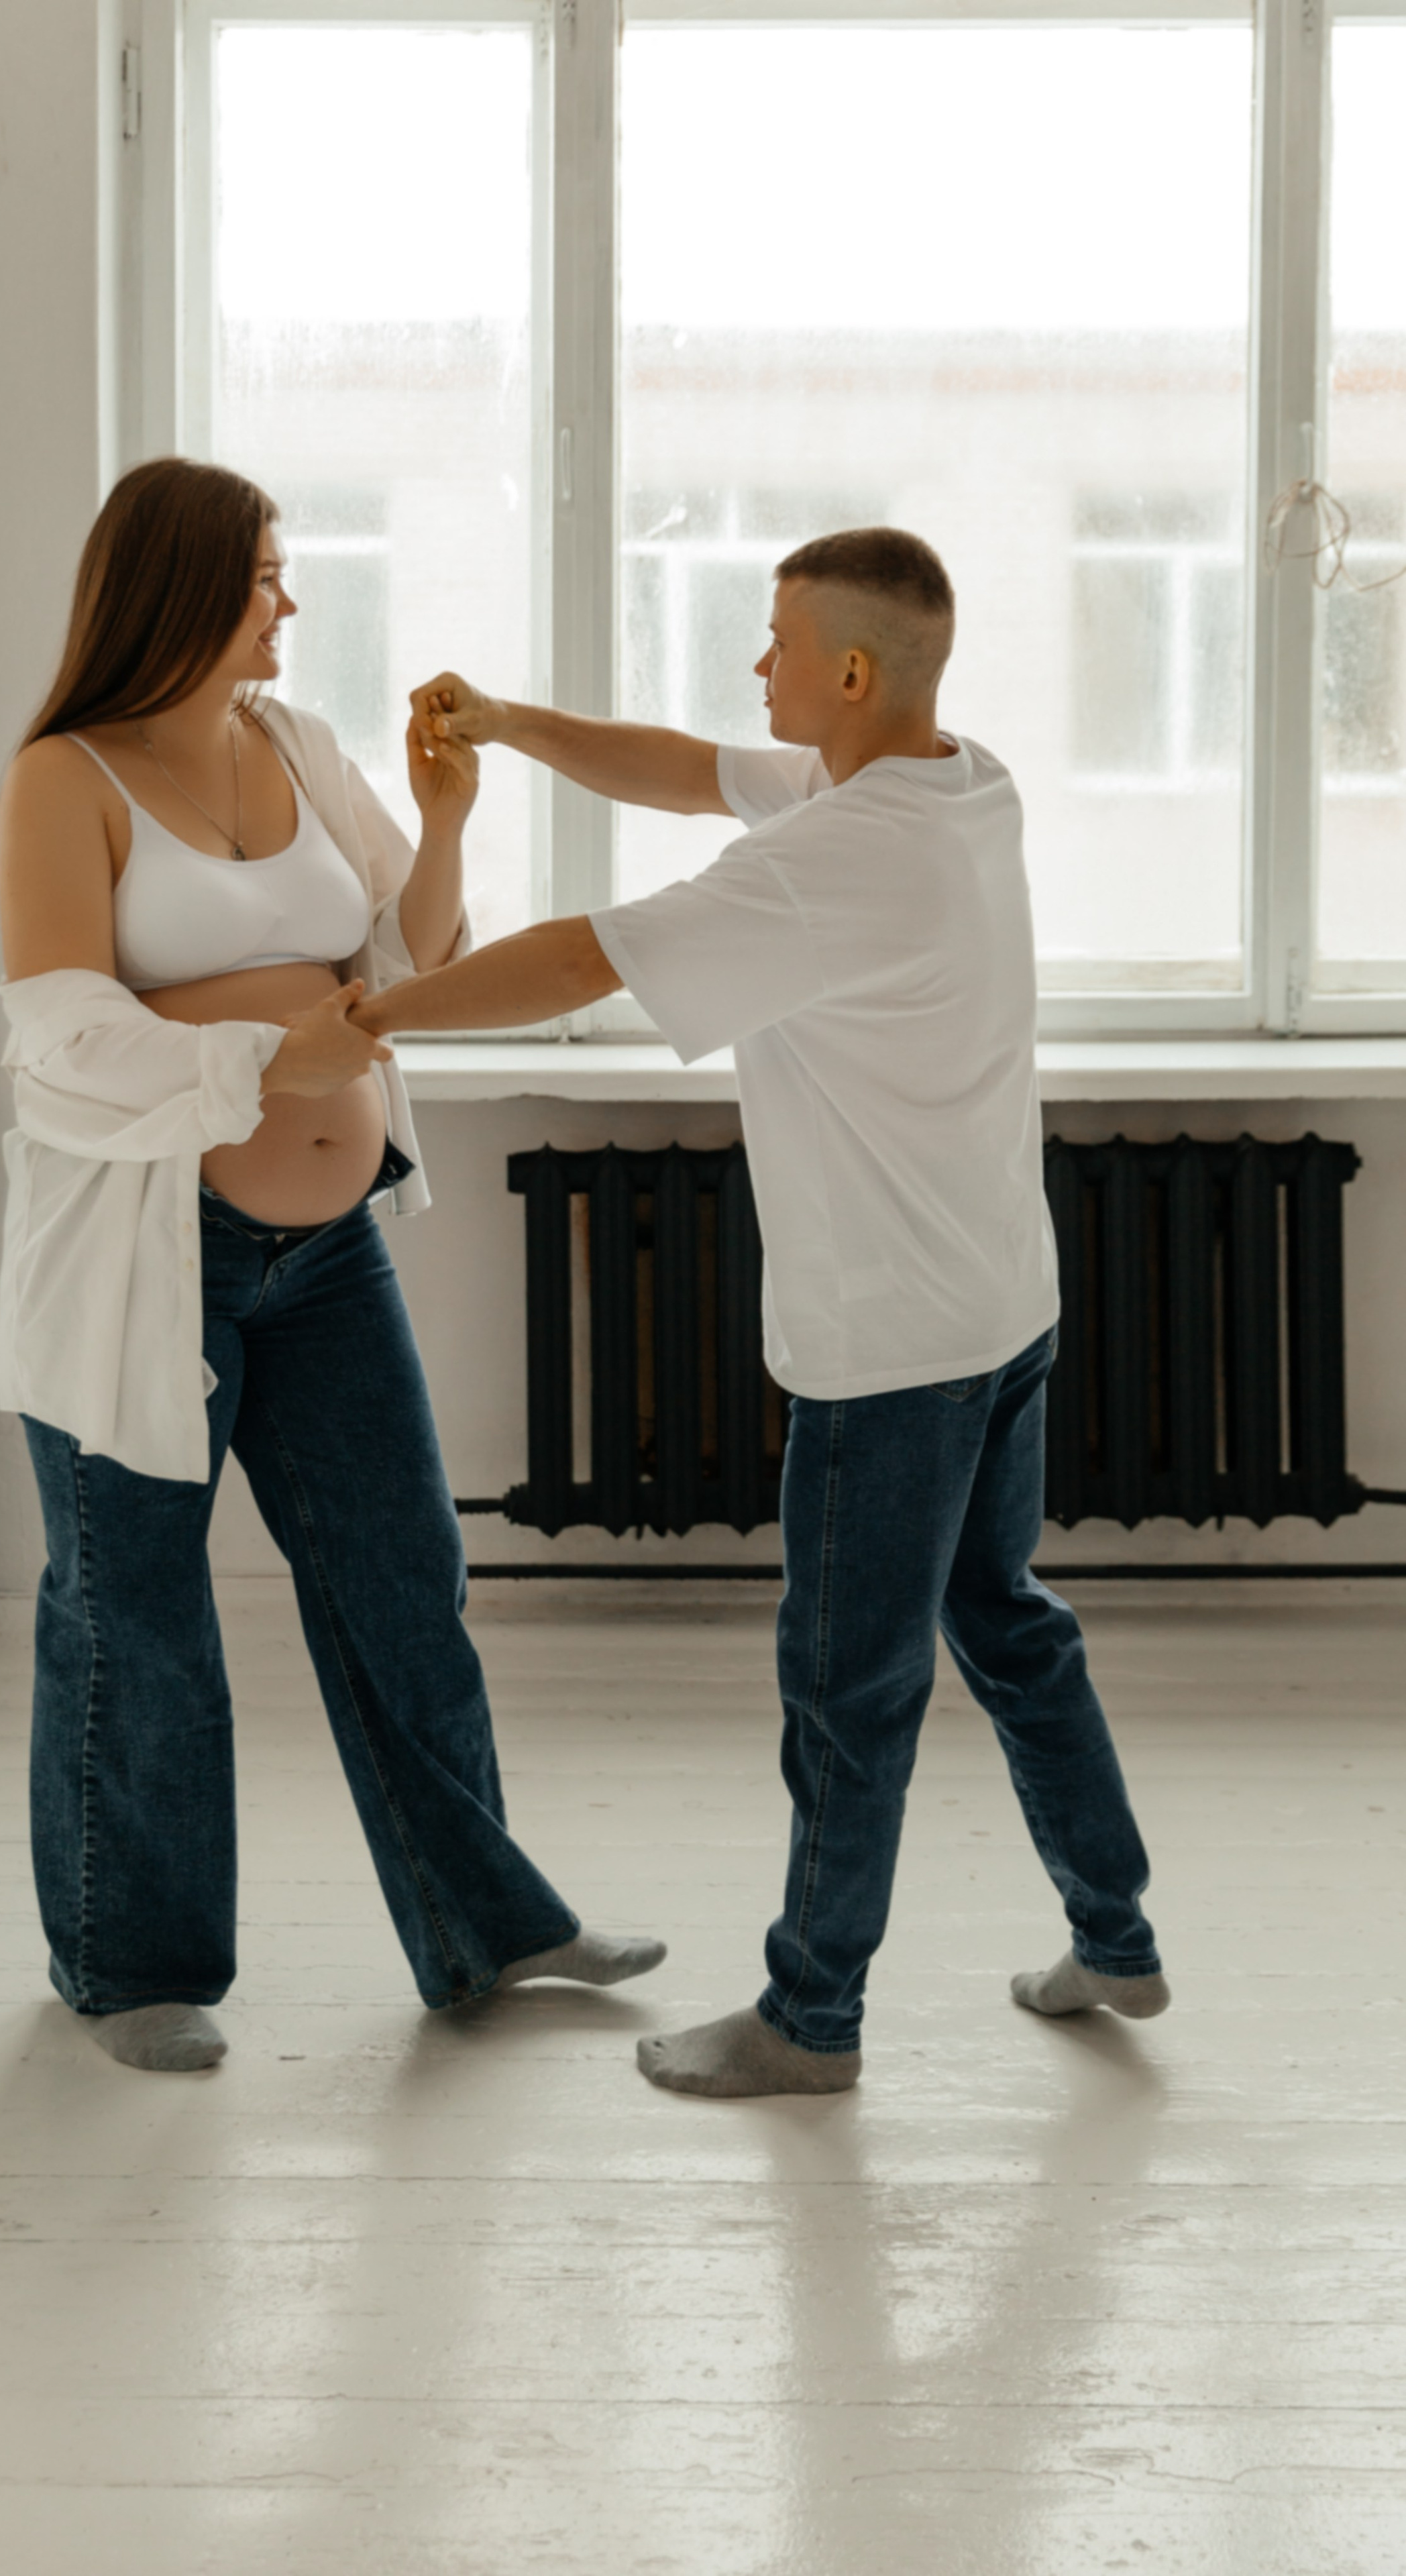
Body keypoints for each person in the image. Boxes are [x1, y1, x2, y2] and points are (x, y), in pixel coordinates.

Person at [354, 525, 1169, 2099]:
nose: (758, 665)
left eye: (779, 642)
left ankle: (809, 2023)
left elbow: (584, 959)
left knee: (845, 1694)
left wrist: (371, 1014)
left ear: (849, 673)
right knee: (1007, 1625)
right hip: (1000, 1304)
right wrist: (513, 727)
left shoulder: (837, 858)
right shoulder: (944, 777)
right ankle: (1115, 1936)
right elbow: (685, 768)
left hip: (894, 1357)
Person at [0, 456, 664, 2074]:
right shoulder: (63, 778)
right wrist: (262, 1064)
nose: (290, 601)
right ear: (184, 587)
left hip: (330, 1252)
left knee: (403, 1584)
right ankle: (132, 1968)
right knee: (135, 1615)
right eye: (266, 575)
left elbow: (408, 954)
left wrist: (440, 824)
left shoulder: (295, 743)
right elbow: (62, 1040)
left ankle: (487, 1924)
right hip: (155, 1260)